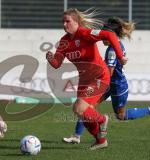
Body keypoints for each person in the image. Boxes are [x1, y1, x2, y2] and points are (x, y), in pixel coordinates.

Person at [63, 17, 150, 144]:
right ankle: (77, 136)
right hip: (107, 84)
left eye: (105, 35)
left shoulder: (112, 51)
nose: (102, 38)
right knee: (87, 106)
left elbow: (108, 72)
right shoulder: (115, 46)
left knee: (120, 116)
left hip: (117, 85)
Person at [46, 8, 128, 150]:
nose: (64, 24)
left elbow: (109, 35)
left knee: (79, 107)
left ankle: (103, 120)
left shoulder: (85, 33)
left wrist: (120, 56)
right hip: (84, 80)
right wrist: (51, 59)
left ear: (76, 22)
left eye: (68, 21)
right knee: (82, 112)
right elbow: (57, 64)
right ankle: (100, 140)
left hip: (100, 76)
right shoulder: (63, 42)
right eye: (63, 22)